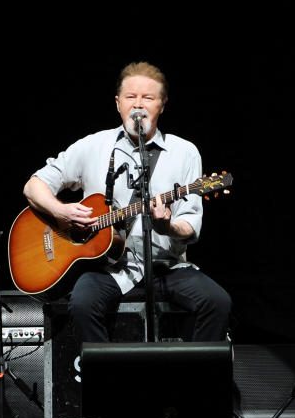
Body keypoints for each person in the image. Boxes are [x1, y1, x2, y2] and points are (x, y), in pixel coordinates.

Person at [23, 62, 231, 343]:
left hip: (165, 268)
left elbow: (190, 225)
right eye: (131, 97)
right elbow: (34, 186)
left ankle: (192, 383)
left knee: (217, 302)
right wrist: (62, 211)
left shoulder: (185, 152)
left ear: (162, 105)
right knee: (82, 305)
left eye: (148, 98)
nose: (139, 105)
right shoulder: (93, 146)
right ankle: (108, 382)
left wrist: (167, 226)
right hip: (109, 270)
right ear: (118, 103)